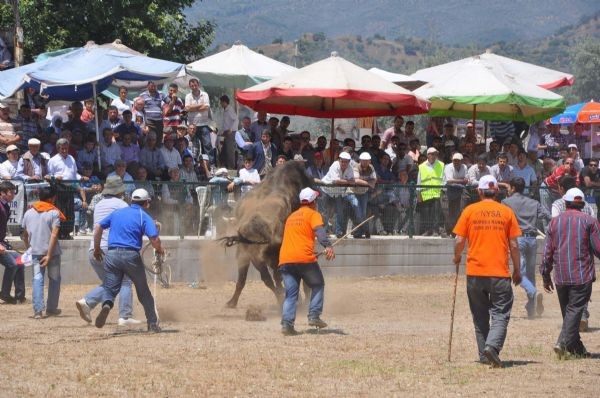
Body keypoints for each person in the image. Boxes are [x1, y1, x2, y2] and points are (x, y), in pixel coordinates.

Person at [453, 175, 522, 367]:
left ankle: (484, 354)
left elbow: (459, 240)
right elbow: (514, 245)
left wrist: (457, 257)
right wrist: (517, 270)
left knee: (479, 314)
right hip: (499, 273)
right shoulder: (506, 212)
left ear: (479, 191)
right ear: (497, 191)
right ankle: (492, 347)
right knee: (500, 313)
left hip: (475, 272)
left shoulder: (469, 210)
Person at [92, 188, 165, 332]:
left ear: (132, 200)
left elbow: (99, 227)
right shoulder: (143, 216)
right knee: (143, 290)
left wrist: (96, 248)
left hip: (112, 254)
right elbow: (154, 239)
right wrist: (160, 250)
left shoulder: (117, 213)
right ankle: (152, 324)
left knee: (110, 287)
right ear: (147, 203)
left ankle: (107, 304)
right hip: (131, 255)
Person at [541, 187, 600, 359]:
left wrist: (545, 274)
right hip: (582, 275)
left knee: (569, 314)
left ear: (565, 203)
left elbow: (547, 252)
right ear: (582, 204)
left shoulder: (554, 222)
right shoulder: (590, 221)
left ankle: (577, 349)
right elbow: (598, 248)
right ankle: (563, 342)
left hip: (560, 276)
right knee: (573, 312)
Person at [75, 176, 140, 326]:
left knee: (110, 283)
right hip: (111, 250)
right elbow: (129, 224)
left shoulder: (99, 204)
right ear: (119, 191)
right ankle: (125, 316)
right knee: (125, 280)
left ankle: (87, 302)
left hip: (94, 249)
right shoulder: (122, 205)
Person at [279, 187, 335, 335]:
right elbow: (320, 232)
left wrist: (313, 252)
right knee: (318, 284)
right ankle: (314, 315)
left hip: (285, 259)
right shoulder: (313, 214)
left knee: (291, 294)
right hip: (303, 259)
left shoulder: (291, 217)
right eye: (315, 200)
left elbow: (297, 239)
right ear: (313, 202)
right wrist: (328, 246)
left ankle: (287, 325)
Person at [502, 177, 550, 318]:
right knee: (530, 274)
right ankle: (531, 308)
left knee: (520, 274)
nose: (508, 190)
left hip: (517, 239)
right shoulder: (534, 202)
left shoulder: (506, 202)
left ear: (513, 188)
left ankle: (534, 293)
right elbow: (547, 216)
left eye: (509, 187)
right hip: (532, 239)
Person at [21, 185, 64, 319]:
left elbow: (24, 234)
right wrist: (49, 254)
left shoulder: (28, 212)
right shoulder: (54, 212)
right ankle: (51, 308)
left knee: (37, 279)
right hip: (53, 253)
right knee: (55, 279)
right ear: (52, 198)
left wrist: (29, 247)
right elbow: (54, 235)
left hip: (35, 251)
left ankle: (38, 311)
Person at [0, 182, 23, 304]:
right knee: (13, 265)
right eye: (11, 192)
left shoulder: (6, 206)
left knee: (19, 260)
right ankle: (4, 294)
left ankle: (20, 295)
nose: (13, 195)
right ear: (2, 193)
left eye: (14, 192)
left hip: (2, 242)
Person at [417, 147, 446, 237]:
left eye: (435, 154)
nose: (434, 156)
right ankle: (428, 230)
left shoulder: (441, 165)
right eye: (432, 154)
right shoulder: (421, 166)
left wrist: (443, 191)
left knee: (436, 214)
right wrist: (418, 194)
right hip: (425, 194)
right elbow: (419, 181)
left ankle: (435, 231)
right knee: (426, 214)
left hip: (437, 193)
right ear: (428, 155)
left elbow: (444, 179)